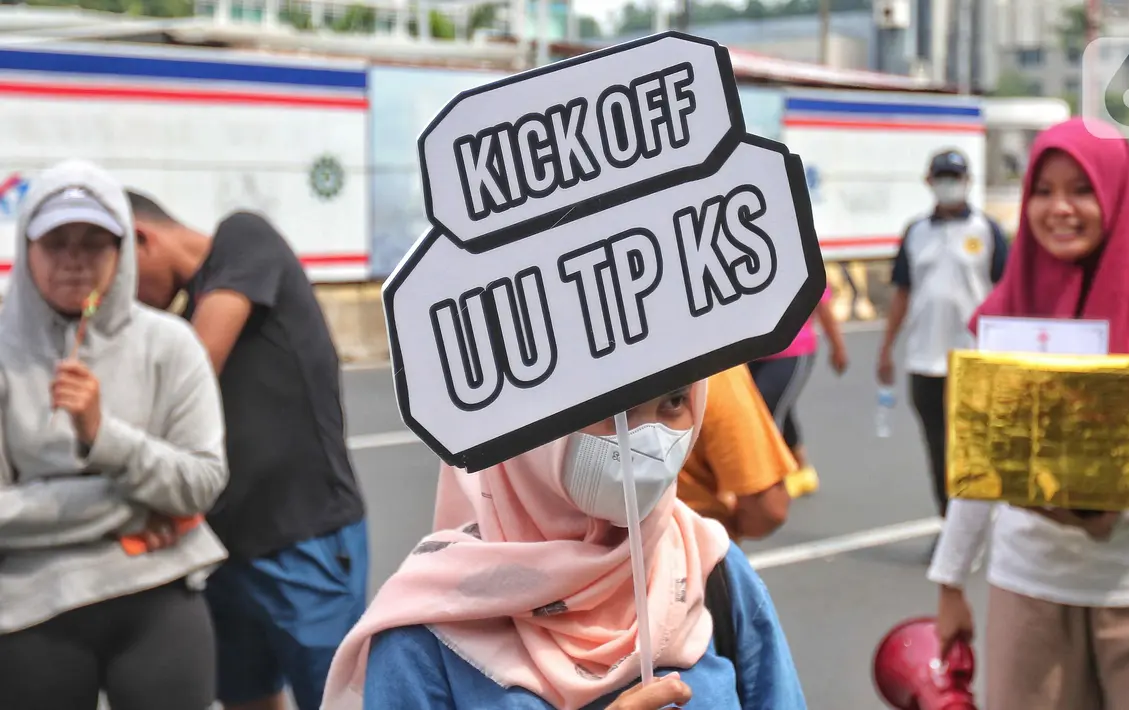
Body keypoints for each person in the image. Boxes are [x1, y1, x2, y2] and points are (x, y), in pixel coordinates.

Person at [929, 119, 1129, 710]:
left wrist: (1111, 499)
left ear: (1116, 192)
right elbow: (982, 460)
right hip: (1028, 592)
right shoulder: (1007, 315)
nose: (1059, 209)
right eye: (1043, 190)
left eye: (1081, 189)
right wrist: (951, 581)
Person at [321, 382, 806, 710]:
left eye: (674, 401)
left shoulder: (709, 568)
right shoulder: (427, 635)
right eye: (610, 408)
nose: (648, 441)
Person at [0, 160, 229, 709]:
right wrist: (130, 505)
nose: (74, 260)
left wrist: (105, 434)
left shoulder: (171, 344)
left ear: (122, 249)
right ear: (26, 245)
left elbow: (202, 483)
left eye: (94, 242)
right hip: (30, 599)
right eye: (56, 241)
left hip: (156, 582)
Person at [126, 192, 368, 710]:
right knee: (248, 699)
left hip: (304, 540)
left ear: (142, 238)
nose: (133, 303)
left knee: (337, 702)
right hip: (222, 552)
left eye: (124, 280)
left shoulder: (243, 240)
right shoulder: (187, 315)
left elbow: (188, 381)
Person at [877, 148, 1009, 523]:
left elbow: (1006, 291)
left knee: (971, 447)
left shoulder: (986, 230)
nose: (949, 185)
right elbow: (902, 292)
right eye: (942, 177)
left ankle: (977, 527)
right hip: (925, 358)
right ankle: (949, 525)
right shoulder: (916, 232)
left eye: (956, 177)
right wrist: (887, 349)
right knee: (938, 449)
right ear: (929, 182)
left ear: (968, 181)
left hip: (974, 357)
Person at [678, 364, 796, 542]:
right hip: (695, 551)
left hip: (623, 553)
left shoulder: (623, 367)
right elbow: (769, 509)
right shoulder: (714, 368)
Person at [747, 287, 846, 498]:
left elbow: (821, 303)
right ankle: (801, 470)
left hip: (792, 349)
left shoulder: (797, 256)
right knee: (780, 406)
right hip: (753, 352)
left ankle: (770, 484)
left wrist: (837, 346)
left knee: (767, 409)